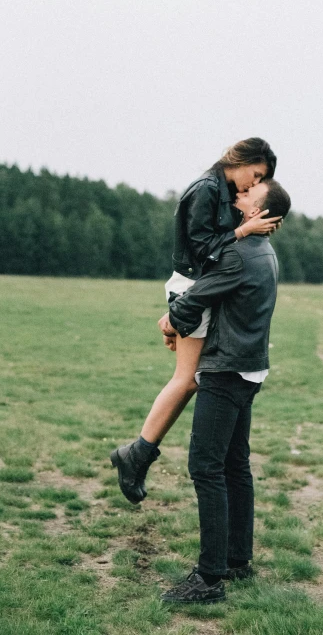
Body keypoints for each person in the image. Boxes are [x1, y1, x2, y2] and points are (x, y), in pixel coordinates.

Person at [110, 138, 281, 504]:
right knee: (187, 380)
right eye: (256, 175)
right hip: (194, 287)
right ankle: (136, 455)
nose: (252, 185)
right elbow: (204, 249)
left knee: (194, 379)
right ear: (243, 161)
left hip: (204, 289)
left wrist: (254, 225)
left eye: (259, 181)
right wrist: (242, 231)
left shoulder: (225, 190)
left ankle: (137, 455)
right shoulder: (206, 190)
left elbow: (227, 256)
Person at [158, 178, 292, 604]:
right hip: (249, 368)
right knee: (235, 466)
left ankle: (209, 579)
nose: (237, 196)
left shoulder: (238, 254)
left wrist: (170, 318)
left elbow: (199, 295)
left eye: (247, 195)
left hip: (226, 369)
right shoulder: (265, 253)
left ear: (258, 213)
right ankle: (237, 560)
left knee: (206, 468)